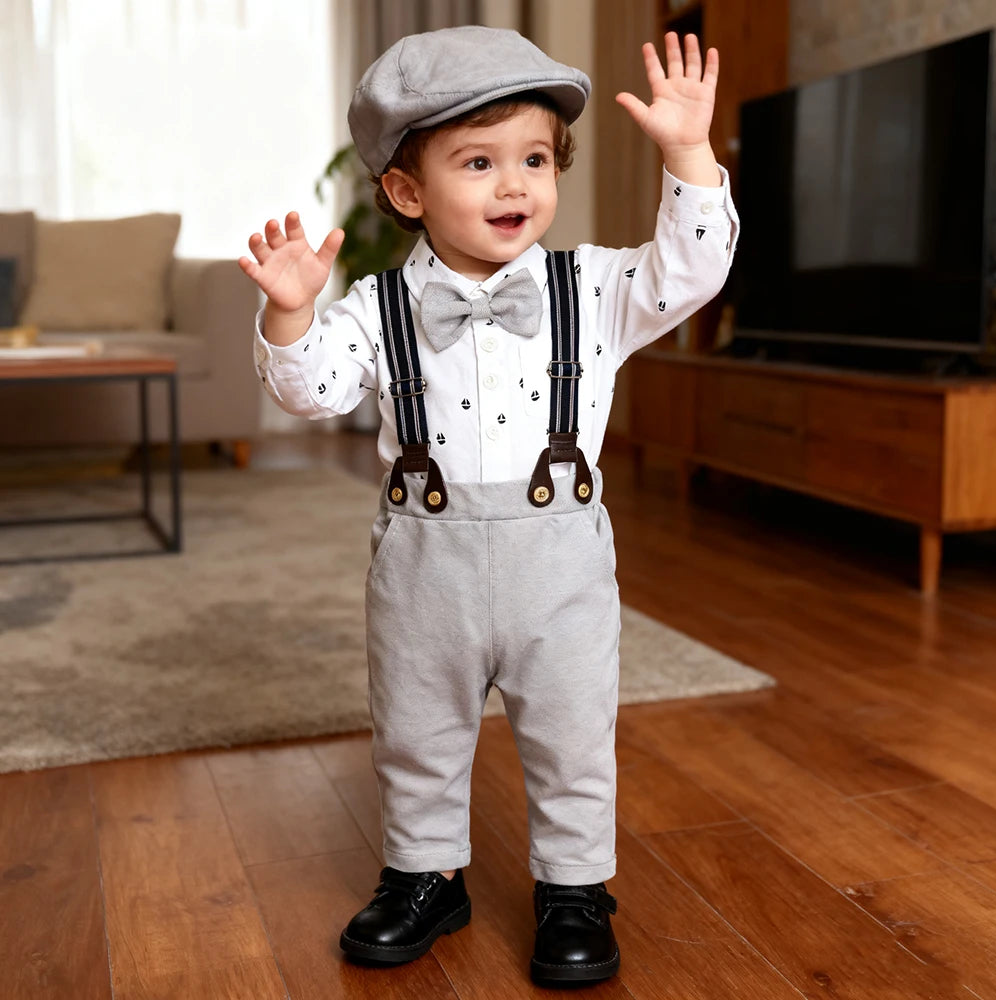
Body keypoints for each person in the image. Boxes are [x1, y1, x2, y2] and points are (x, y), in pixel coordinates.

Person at [240, 24, 738, 988]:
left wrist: (687, 154)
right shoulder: (376, 309)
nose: (516, 186)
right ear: (407, 191)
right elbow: (311, 392)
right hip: (426, 568)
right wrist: (292, 314)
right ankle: (427, 876)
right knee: (417, 732)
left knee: (572, 732)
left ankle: (576, 889)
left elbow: (695, 269)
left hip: (563, 569)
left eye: (536, 160)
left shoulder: (593, 287)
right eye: (480, 161)